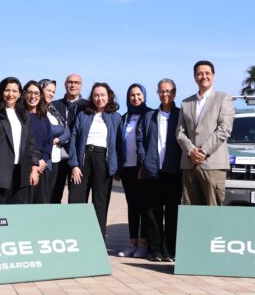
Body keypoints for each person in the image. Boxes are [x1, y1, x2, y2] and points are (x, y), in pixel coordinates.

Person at [68, 82, 123, 239]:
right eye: (96, 95)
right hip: (83, 159)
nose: (99, 98)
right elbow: (73, 139)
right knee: (76, 199)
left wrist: (117, 168)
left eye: (102, 95)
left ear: (109, 96)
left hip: (103, 160)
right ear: (91, 98)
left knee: (100, 202)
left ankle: (97, 239)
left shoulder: (116, 118)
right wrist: (74, 165)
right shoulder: (83, 115)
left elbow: (119, 144)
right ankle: (75, 237)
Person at [176, 60, 234, 205]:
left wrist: (203, 151)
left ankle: (215, 230)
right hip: (189, 164)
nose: (204, 76)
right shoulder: (185, 102)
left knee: (212, 210)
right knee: (191, 211)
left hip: (212, 163)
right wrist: (191, 151)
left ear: (213, 76)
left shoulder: (223, 98)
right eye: (200, 73)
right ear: (195, 77)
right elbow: (179, 132)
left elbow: (224, 129)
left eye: (207, 73)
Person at [138, 78, 182, 262]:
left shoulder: (181, 115)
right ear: (158, 93)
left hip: (173, 170)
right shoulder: (149, 116)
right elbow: (140, 139)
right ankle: (154, 249)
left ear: (174, 93)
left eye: (168, 91)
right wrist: (143, 160)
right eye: (162, 91)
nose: (165, 94)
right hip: (152, 170)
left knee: (172, 211)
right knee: (152, 211)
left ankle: (169, 249)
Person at [116, 83, 152, 258]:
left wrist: (144, 165)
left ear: (144, 96)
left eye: (138, 94)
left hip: (143, 169)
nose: (135, 98)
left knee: (144, 205)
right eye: (132, 95)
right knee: (132, 206)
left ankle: (144, 244)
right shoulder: (125, 117)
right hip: (127, 168)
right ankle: (132, 243)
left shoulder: (150, 115)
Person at [51, 73, 90, 202]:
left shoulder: (88, 107)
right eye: (70, 82)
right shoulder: (53, 105)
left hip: (78, 156)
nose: (73, 85)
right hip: (57, 155)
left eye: (76, 82)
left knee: (76, 197)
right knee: (54, 195)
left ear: (81, 85)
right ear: (65, 84)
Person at [39, 78, 70, 203]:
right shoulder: (35, 110)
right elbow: (47, 130)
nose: (51, 94)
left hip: (58, 158)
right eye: (48, 90)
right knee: (44, 197)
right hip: (45, 160)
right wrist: (59, 129)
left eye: (53, 91)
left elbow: (67, 131)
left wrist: (58, 139)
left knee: (55, 196)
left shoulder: (53, 110)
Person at [22, 80, 53, 203]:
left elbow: (48, 142)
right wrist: (34, 162)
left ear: (40, 96)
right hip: (25, 163)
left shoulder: (44, 118)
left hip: (42, 165)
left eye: (36, 93)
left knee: (41, 203)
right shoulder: (20, 116)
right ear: (24, 94)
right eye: (29, 92)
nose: (33, 96)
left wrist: (43, 160)